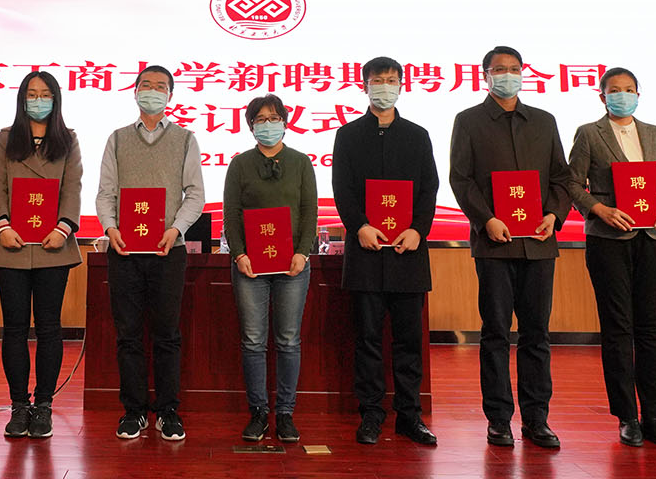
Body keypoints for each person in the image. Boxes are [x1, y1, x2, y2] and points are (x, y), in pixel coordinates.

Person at [448, 45, 572, 449]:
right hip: (494, 244)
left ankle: (537, 419)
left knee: (537, 334)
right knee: (496, 332)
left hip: (539, 242)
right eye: (499, 69)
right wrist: (486, 219)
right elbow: (461, 178)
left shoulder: (544, 121)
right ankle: (499, 418)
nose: (507, 75)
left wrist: (554, 215)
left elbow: (561, 177)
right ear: (485, 75)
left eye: (514, 69)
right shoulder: (468, 121)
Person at [567, 67, 656, 449]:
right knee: (617, 328)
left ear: (638, 94)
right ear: (602, 97)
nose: (622, 95)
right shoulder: (589, 133)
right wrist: (599, 210)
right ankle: (627, 416)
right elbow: (572, 184)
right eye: (614, 90)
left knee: (652, 328)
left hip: (654, 237)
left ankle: (654, 416)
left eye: (629, 89)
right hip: (609, 239)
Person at [332, 56, 440, 446]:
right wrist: (359, 226)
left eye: (392, 80)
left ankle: (410, 416)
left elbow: (429, 188)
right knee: (368, 339)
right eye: (378, 80)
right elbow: (342, 188)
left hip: (408, 253)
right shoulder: (347, 135)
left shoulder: (417, 135)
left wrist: (418, 230)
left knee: (409, 341)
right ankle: (371, 414)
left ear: (401, 86)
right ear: (365, 86)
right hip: (366, 251)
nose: (385, 86)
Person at [94, 64, 206, 442]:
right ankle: (134, 411)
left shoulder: (185, 139)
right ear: (135, 91)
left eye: (160, 87)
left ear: (170, 96)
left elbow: (195, 194)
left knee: (166, 334)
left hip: (167, 250)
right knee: (127, 334)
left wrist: (176, 229)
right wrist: (110, 228)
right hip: (124, 250)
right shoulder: (118, 139)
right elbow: (105, 193)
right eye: (146, 85)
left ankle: (168, 411)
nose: (152, 92)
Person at [0, 70, 83, 439]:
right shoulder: (6, 138)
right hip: (11, 244)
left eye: (45, 94)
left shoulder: (68, 140)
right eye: (31, 94)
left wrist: (63, 228)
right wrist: (2, 225)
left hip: (54, 245)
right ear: (22, 99)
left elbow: (73, 187)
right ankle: (18, 405)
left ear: (56, 100)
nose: (38, 100)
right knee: (14, 327)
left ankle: (44, 405)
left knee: (49, 327)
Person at [223, 94, 318, 444]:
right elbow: (231, 213)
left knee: (288, 340)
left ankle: (286, 413)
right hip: (250, 266)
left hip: (293, 265)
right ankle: (259, 412)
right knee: (253, 341)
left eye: (274, 118)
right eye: (260, 119)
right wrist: (239, 254)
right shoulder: (240, 164)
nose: (268, 125)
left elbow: (309, 211)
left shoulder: (301, 162)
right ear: (251, 125)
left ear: (285, 122)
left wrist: (303, 253)